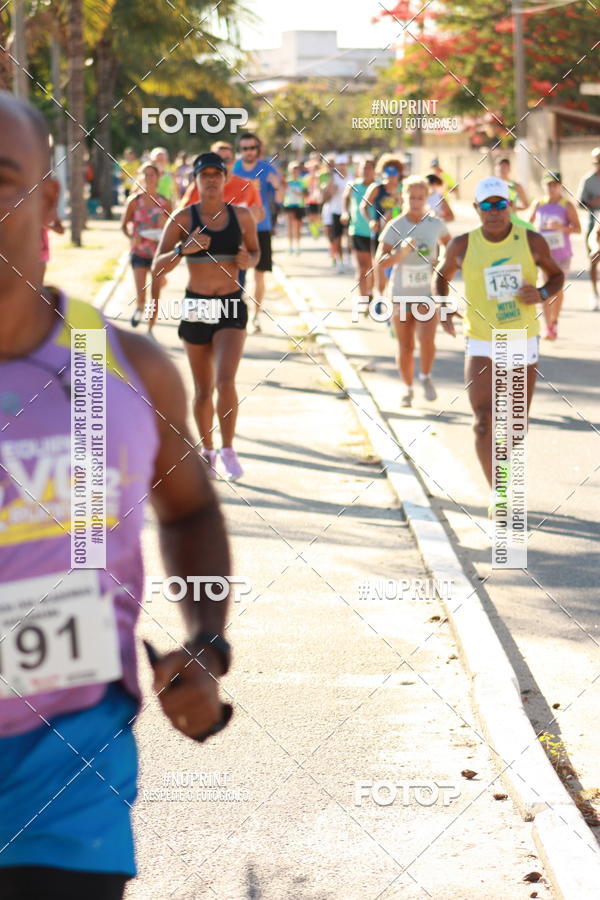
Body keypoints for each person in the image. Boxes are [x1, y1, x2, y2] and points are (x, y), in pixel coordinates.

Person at [0, 92, 232, 900]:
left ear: (49, 200)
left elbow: (192, 508)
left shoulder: (126, 368)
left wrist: (207, 644)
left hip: (70, 778)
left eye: (0, 179)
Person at [435, 176, 563, 501]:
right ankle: (499, 492)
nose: (494, 211)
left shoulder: (531, 241)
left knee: (516, 424)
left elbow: (557, 274)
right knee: (483, 419)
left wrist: (543, 292)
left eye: (500, 204)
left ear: (509, 206)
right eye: (488, 205)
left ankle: (502, 468)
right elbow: (441, 277)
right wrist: (444, 308)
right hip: (480, 340)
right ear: (477, 208)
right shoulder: (462, 245)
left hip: (521, 339)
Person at [152, 152, 259, 481]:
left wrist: (247, 261)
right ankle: (208, 450)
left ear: (225, 179)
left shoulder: (241, 217)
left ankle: (228, 448)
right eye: (204, 175)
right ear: (195, 181)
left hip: (229, 304)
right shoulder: (184, 218)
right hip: (196, 305)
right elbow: (157, 266)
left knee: (226, 381)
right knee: (202, 390)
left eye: (217, 174)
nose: (211, 180)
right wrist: (184, 249)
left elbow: (256, 253)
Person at [374, 176, 451, 407]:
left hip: (426, 295)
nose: (416, 202)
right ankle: (407, 389)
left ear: (427, 198)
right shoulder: (396, 225)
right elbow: (380, 261)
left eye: (420, 197)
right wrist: (400, 254)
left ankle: (425, 376)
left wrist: (440, 262)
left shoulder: (435, 224)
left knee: (427, 340)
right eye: (411, 197)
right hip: (399, 294)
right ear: (403, 197)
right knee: (405, 346)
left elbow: (452, 247)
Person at [233, 132, 283, 331]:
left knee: (260, 274)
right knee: (237, 272)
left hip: (261, 228)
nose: (249, 152)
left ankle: (256, 315)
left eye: (252, 148)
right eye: (244, 148)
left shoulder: (267, 169)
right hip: (237, 228)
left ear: (257, 149)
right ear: (240, 150)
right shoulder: (234, 169)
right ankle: (238, 312)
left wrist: (278, 185)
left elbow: (278, 199)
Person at [120, 162, 171, 333]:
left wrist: (165, 226)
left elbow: (174, 228)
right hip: (139, 251)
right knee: (141, 291)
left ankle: (150, 329)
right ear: (140, 177)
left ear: (158, 178)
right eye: (146, 174)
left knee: (155, 295)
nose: (149, 178)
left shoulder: (165, 202)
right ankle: (139, 309)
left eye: (152, 174)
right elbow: (124, 225)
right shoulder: (134, 201)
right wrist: (131, 236)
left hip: (158, 253)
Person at [529, 172, 580, 339]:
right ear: (544, 186)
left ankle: (555, 321)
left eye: (555, 185)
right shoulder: (538, 204)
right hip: (544, 255)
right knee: (545, 287)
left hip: (562, 255)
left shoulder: (566, 205)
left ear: (560, 186)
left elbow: (577, 228)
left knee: (557, 289)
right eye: (548, 185)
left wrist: (561, 227)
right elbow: (527, 225)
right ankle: (547, 326)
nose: (551, 188)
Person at [342, 157, 376, 303]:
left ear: (374, 170)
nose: (365, 171)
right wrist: (345, 212)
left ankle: (371, 293)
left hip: (376, 232)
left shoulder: (378, 187)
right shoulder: (353, 185)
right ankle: (364, 301)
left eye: (369, 168)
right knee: (362, 268)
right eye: (363, 167)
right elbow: (345, 199)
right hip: (357, 230)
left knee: (373, 267)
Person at [360, 154, 404, 258]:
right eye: (388, 171)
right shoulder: (376, 188)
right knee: (377, 266)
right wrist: (370, 221)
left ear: (399, 173)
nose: (391, 175)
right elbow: (363, 206)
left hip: (400, 233)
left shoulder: (404, 189)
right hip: (380, 233)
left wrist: (398, 198)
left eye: (395, 172)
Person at [576, 147, 600, 309]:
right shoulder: (588, 180)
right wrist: (592, 203)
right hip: (594, 221)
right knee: (593, 259)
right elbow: (579, 203)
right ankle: (594, 294)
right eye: (597, 161)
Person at [321, 154, 352, 273]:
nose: (341, 167)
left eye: (343, 165)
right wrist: (330, 188)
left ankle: (349, 258)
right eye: (339, 165)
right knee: (337, 238)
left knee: (349, 237)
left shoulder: (351, 177)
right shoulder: (333, 178)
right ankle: (340, 261)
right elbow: (326, 197)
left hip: (349, 211)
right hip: (335, 211)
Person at [283, 161, 307, 254]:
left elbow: (306, 193)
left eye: (296, 170)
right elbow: (282, 193)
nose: (295, 172)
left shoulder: (302, 181)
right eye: (293, 170)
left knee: (297, 226)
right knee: (289, 226)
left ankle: (297, 246)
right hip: (289, 205)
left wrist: (299, 194)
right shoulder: (287, 181)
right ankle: (290, 246)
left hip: (299, 205)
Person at [40, 214, 65, 281]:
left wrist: (46, 226)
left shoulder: (47, 210)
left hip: (41, 254)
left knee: (37, 284)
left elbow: (61, 230)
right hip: (23, 254)